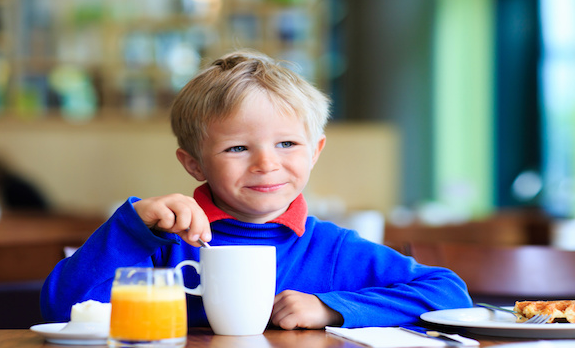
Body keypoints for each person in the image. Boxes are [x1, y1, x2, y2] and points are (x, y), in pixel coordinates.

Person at [40, 50, 472, 329]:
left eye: (287, 143)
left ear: (315, 151)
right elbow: (63, 310)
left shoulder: (332, 247)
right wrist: (132, 227)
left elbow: (448, 293)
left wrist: (332, 309)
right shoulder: (162, 242)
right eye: (237, 147)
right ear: (193, 163)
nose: (267, 163)